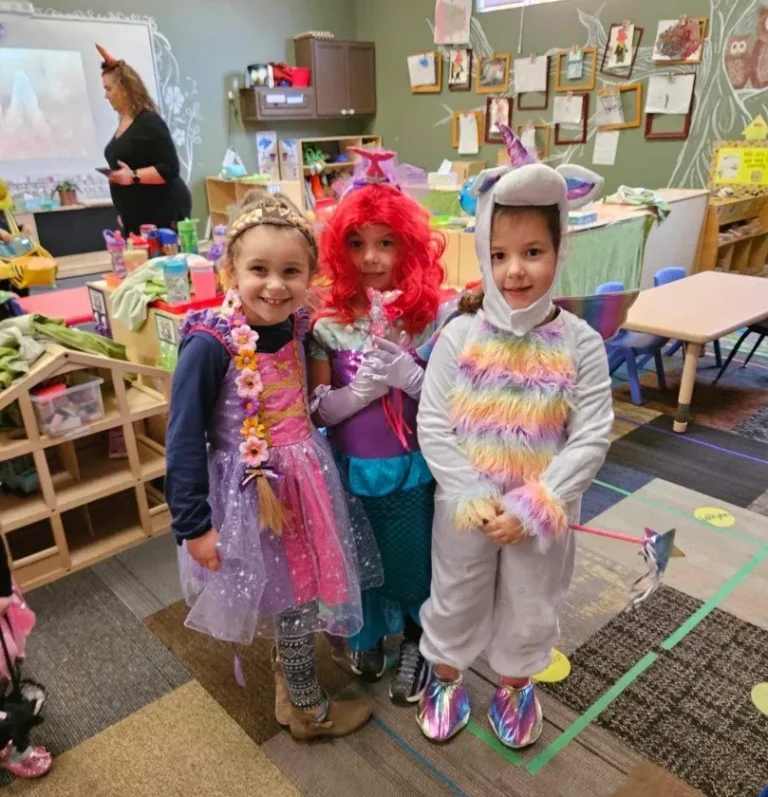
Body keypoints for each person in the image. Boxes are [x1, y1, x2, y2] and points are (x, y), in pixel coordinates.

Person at [415, 127, 613, 748]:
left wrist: (535, 504)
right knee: (456, 591)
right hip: (465, 508)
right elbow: (434, 425)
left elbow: (591, 435)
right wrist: (472, 492)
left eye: (532, 252)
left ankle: (514, 680)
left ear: (558, 250)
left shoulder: (580, 343)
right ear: (482, 252)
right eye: (499, 255)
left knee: (531, 598)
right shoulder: (460, 336)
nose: (515, 270)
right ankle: (445, 673)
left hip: (541, 511)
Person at [165, 191, 381, 741]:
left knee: (301, 592)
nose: (274, 285)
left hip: (305, 479)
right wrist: (192, 524)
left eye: (291, 271)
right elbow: (183, 436)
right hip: (247, 493)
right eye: (258, 269)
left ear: (310, 274)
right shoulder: (210, 343)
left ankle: (294, 693)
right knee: (291, 596)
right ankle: (307, 706)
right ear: (229, 270)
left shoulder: (299, 324)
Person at [309, 150, 445, 706]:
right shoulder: (327, 324)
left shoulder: (434, 317)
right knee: (360, 555)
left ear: (407, 246)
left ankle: (417, 637)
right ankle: (368, 634)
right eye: (357, 243)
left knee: (413, 556)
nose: (371, 257)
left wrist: (414, 380)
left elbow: (454, 399)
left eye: (385, 242)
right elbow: (316, 411)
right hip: (351, 465)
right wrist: (355, 395)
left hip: (412, 464)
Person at [98, 45, 192, 235]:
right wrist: (124, 212)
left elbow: (170, 168)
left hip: (162, 212)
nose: (106, 95)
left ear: (124, 88)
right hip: (138, 215)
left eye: (109, 89)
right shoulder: (125, 121)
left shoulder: (149, 122)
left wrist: (132, 176)